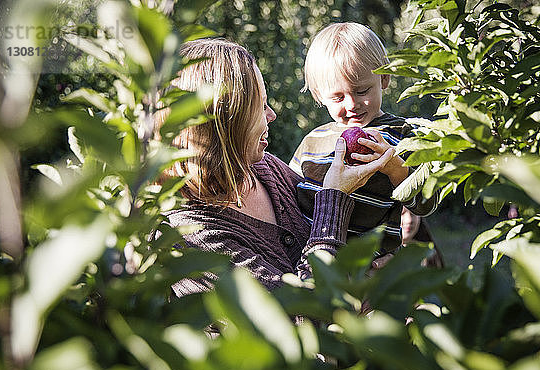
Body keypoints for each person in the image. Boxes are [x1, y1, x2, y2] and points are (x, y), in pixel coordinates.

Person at [158, 38, 397, 298]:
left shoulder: (263, 168)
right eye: (260, 107)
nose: (272, 115)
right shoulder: (192, 237)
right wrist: (335, 196)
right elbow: (300, 317)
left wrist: (388, 257)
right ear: (226, 124)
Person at [289, 22, 437, 260]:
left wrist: (395, 169)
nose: (351, 105)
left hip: (372, 264)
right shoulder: (313, 141)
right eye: (337, 97)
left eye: (362, 91)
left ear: (384, 79)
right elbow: (287, 196)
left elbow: (426, 203)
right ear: (319, 96)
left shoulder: (402, 135)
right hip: (319, 259)